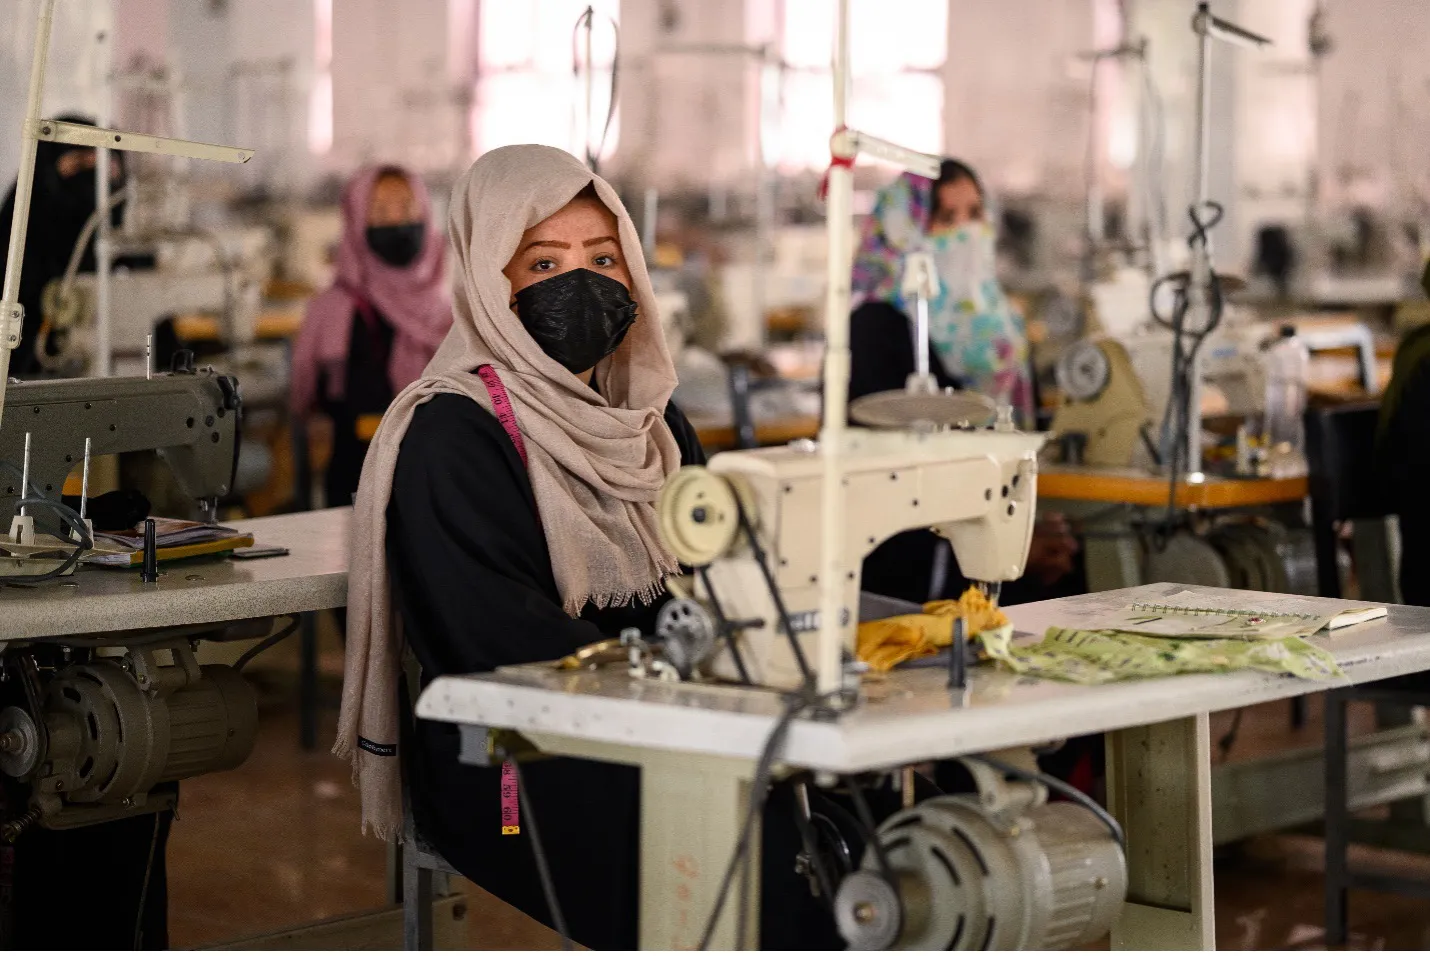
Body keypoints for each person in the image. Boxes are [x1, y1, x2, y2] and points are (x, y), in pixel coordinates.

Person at [337, 145, 866, 949]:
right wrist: (697, 697)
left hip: (671, 723)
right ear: (490, 278)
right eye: (543, 261)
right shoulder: (453, 434)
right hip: (519, 759)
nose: (578, 284)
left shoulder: (650, 424)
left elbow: (724, 569)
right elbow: (498, 648)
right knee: (753, 868)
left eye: (603, 257)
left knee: (871, 820)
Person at [849, 159, 1080, 607]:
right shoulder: (877, 327)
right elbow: (894, 480)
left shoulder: (999, 323)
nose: (966, 232)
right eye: (946, 219)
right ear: (903, 232)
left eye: (975, 214)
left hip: (989, 527)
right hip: (915, 562)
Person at [290, 165, 452, 509]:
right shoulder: (334, 312)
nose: (397, 221)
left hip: (438, 481)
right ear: (356, 223)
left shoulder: (450, 311)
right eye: (380, 211)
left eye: (407, 207)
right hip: (357, 487)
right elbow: (308, 405)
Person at [0, 113, 127, 376]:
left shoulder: (109, 234)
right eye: (80, 163)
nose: (96, 174)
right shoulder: (22, 223)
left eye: (104, 165)